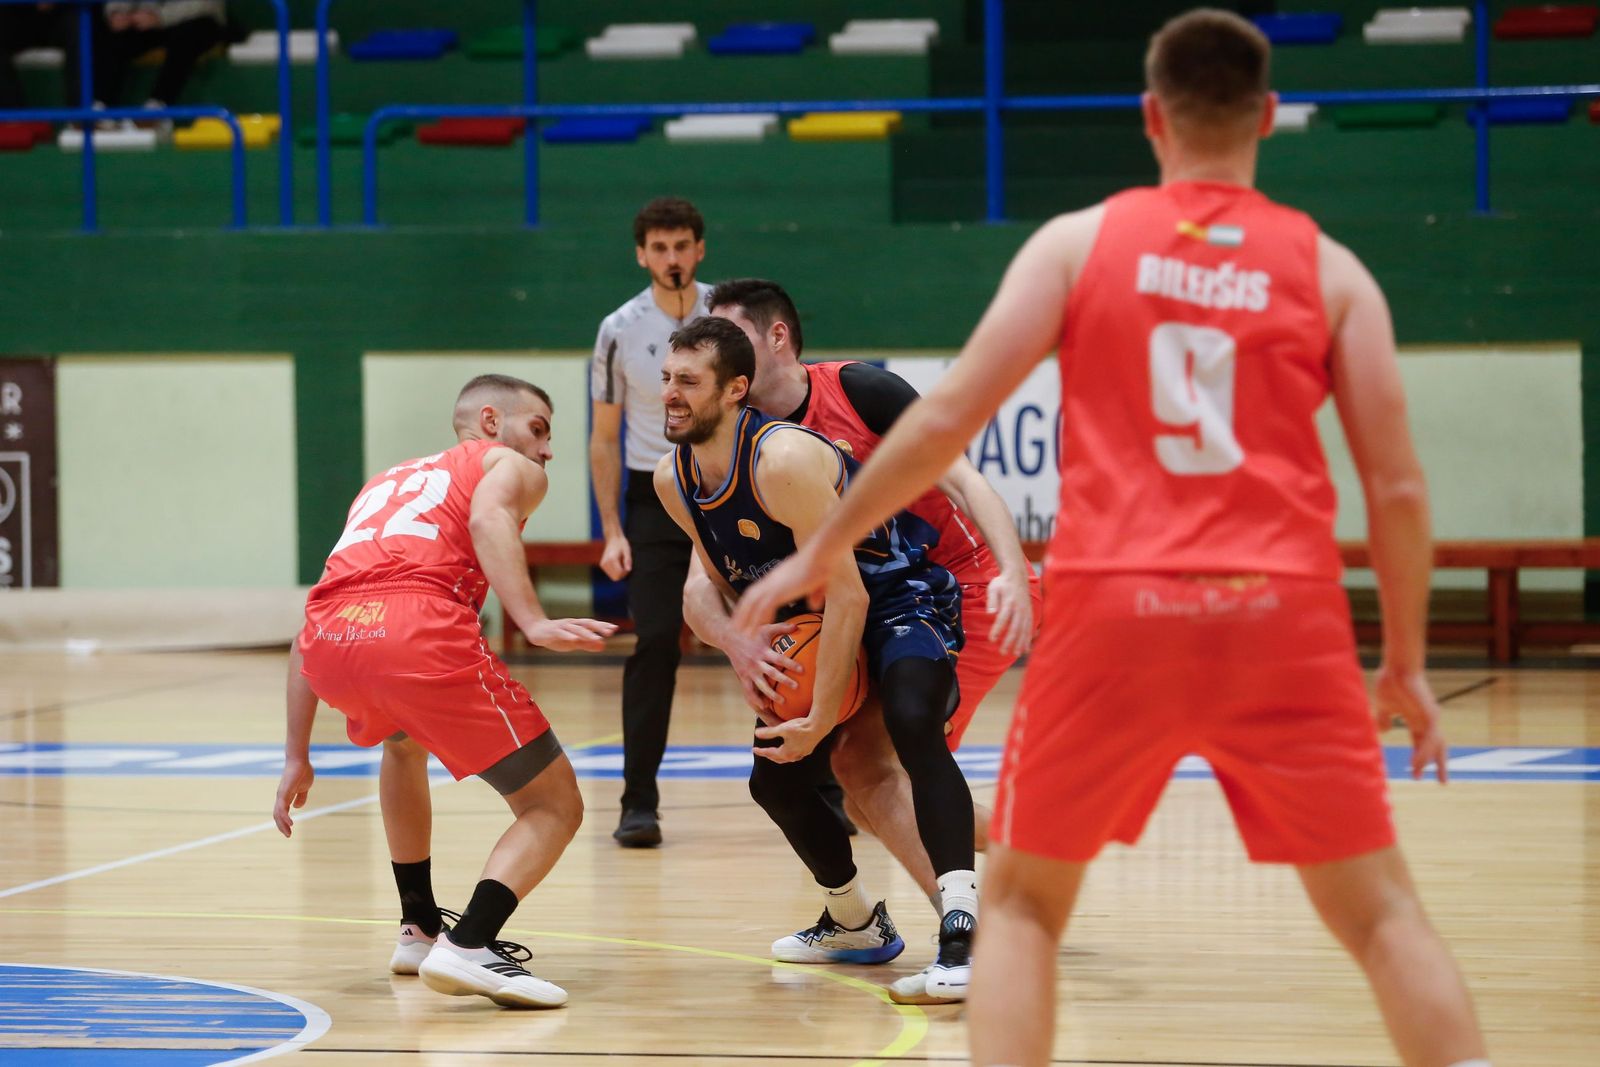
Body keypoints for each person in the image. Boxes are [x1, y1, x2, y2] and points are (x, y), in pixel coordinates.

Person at [730, 9, 1490, 1067]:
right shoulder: (1331, 269)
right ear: (1268, 116)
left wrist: (824, 547)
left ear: (1149, 116)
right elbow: (1398, 489)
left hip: (1116, 609)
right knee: (1379, 912)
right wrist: (1403, 660)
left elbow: (945, 420)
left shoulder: (1080, 245)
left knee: (1029, 909)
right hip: (1280, 613)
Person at [686, 277, 1043, 1003]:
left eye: (734, 338)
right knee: (848, 771)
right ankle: (1033, 849)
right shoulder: (737, 433)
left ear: (777, 336)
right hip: (863, 598)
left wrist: (1012, 568)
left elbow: (968, 479)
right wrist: (735, 640)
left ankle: (973, 938)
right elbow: (701, 575)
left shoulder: (861, 391)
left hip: (957, 581)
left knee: (875, 759)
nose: (722, 356)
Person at [273, 374, 617, 1010]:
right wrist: (535, 621)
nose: (545, 452)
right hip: (416, 628)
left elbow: (314, 611)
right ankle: (471, 946)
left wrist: (296, 751)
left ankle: (418, 927)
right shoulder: (507, 467)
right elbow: (489, 519)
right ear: (490, 422)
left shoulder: (382, 483)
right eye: (537, 429)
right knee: (554, 804)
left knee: (401, 745)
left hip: (330, 636)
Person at [590, 196, 713, 847]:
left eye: (682, 246)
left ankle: (829, 788)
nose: (671, 258)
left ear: (699, 250)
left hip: (730, 488)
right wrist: (611, 528)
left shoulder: (728, 315)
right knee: (657, 640)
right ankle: (638, 801)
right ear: (642, 254)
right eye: (659, 248)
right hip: (653, 498)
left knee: (789, 625)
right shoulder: (618, 329)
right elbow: (603, 436)